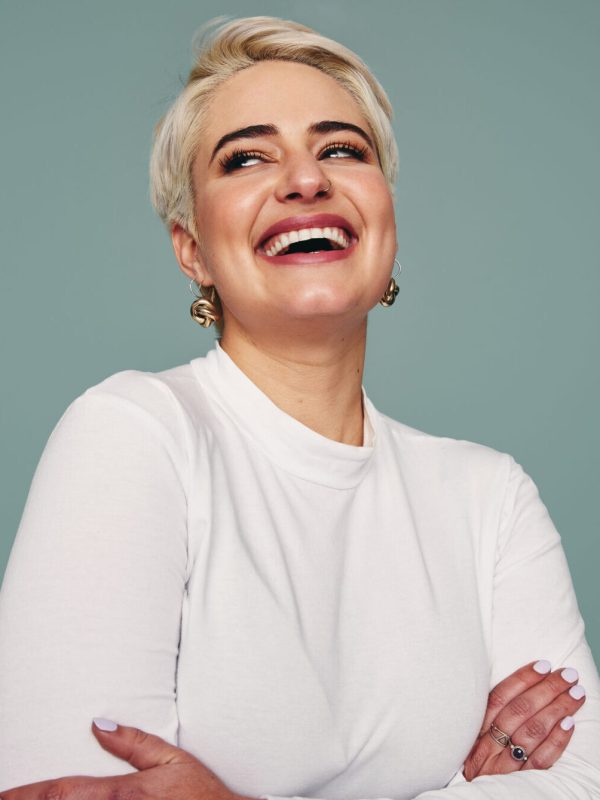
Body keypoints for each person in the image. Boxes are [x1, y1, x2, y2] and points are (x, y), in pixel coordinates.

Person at [0, 15, 599, 800]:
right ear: (192, 249)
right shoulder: (133, 435)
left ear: (386, 219)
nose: (306, 179)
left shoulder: (490, 498)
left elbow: (583, 780)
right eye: (246, 158)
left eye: (342, 149)